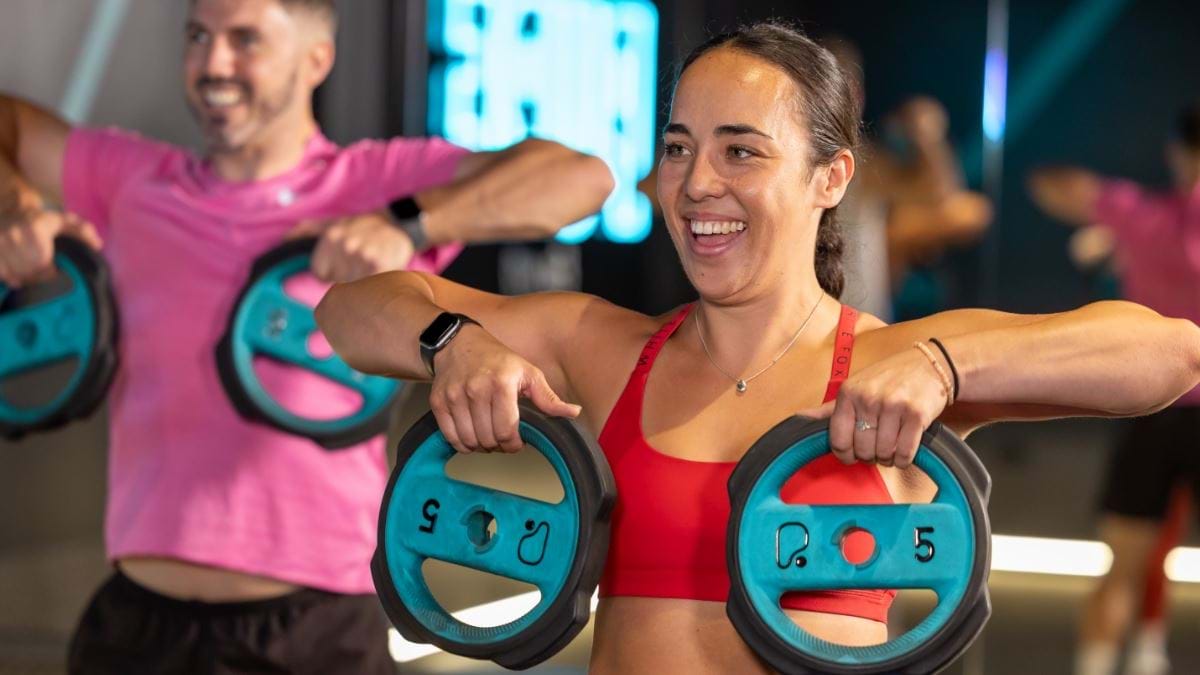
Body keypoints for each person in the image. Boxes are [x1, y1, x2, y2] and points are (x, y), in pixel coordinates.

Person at [316, 22, 1200, 673]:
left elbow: (1167, 354)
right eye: (678, 147)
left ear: (830, 177)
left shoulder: (897, 358)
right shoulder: (604, 346)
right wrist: (451, 340)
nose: (699, 182)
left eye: (741, 151)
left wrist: (943, 366)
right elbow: (350, 309)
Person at [0, 0, 613, 672]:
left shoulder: (372, 182)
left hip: (315, 627)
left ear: (316, 58)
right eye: (198, 36)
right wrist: (14, 205)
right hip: (137, 622)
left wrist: (407, 222)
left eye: (245, 39)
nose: (213, 63)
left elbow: (582, 178)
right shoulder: (132, 180)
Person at [1028, 101, 1200, 675]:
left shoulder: (1141, 214)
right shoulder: (1142, 215)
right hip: (1163, 407)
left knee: (1121, 565)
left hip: (1153, 408)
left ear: (1179, 152)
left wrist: (1108, 215)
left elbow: (1050, 185)